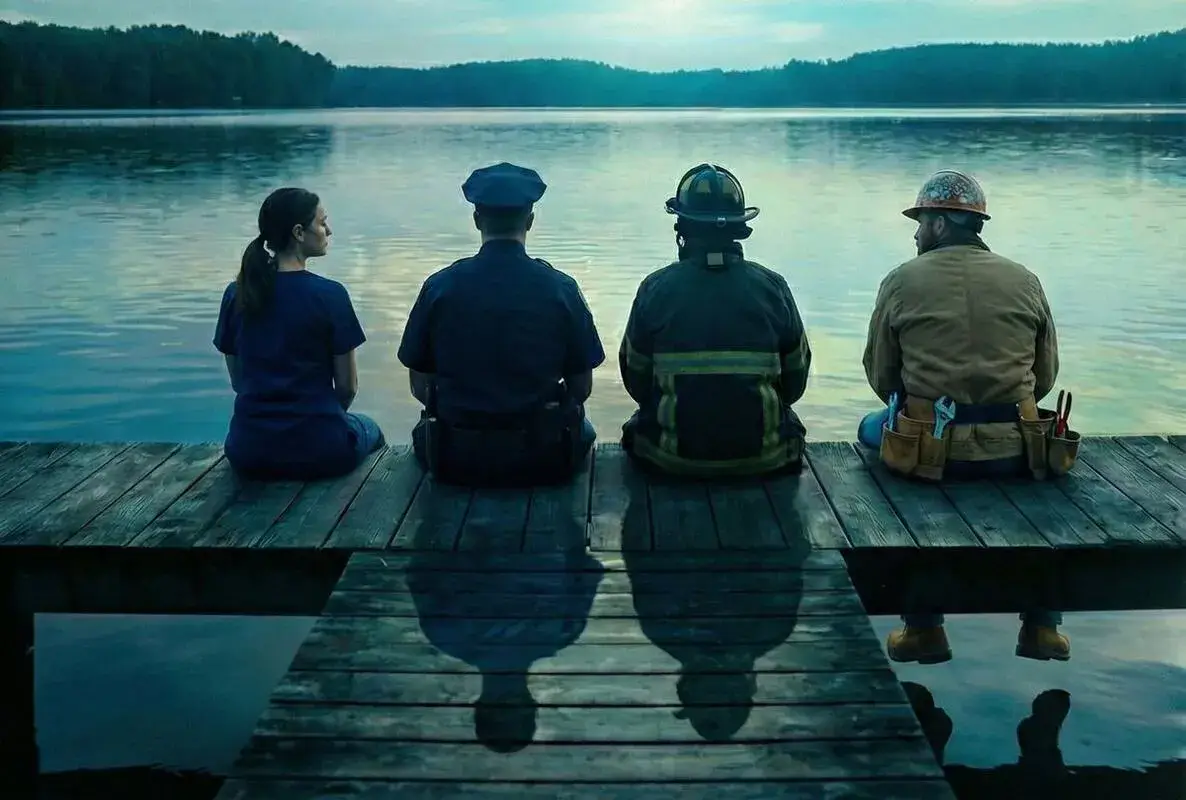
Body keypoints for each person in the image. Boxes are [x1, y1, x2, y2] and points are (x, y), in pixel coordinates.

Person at [859, 169, 1069, 663]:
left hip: (933, 453)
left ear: (937, 225)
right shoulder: (1025, 278)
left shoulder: (900, 280)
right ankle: (1042, 627)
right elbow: (1045, 377)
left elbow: (881, 376)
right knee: (1048, 499)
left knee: (871, 429)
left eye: (919, 222)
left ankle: (924, 628)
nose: (914, 233)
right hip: (1017, 450)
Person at [397, 162, 605, 487]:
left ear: (477, 220)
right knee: (586, 430)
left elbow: (419, 385)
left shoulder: (440, 287)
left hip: (455, 457)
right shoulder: (560, 288)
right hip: (541, 456)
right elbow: (582, 388)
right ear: (530, 221)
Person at [618, 163, 812, 478]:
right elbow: (794, 383)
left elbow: (637, 382)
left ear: (682, 227)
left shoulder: (654, 289)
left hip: (669, 460)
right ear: (740, 228)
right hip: (767, 460)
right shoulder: (774, 288)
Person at [213, 187, 384, 481]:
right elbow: (346, 388)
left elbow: (239, 380)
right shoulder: (330, 295)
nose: (328, 231)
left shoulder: (237, 293)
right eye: (321, 222)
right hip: (321, 451)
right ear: (299, 232)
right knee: (370, 429)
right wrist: (322, 421)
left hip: (248, 450)